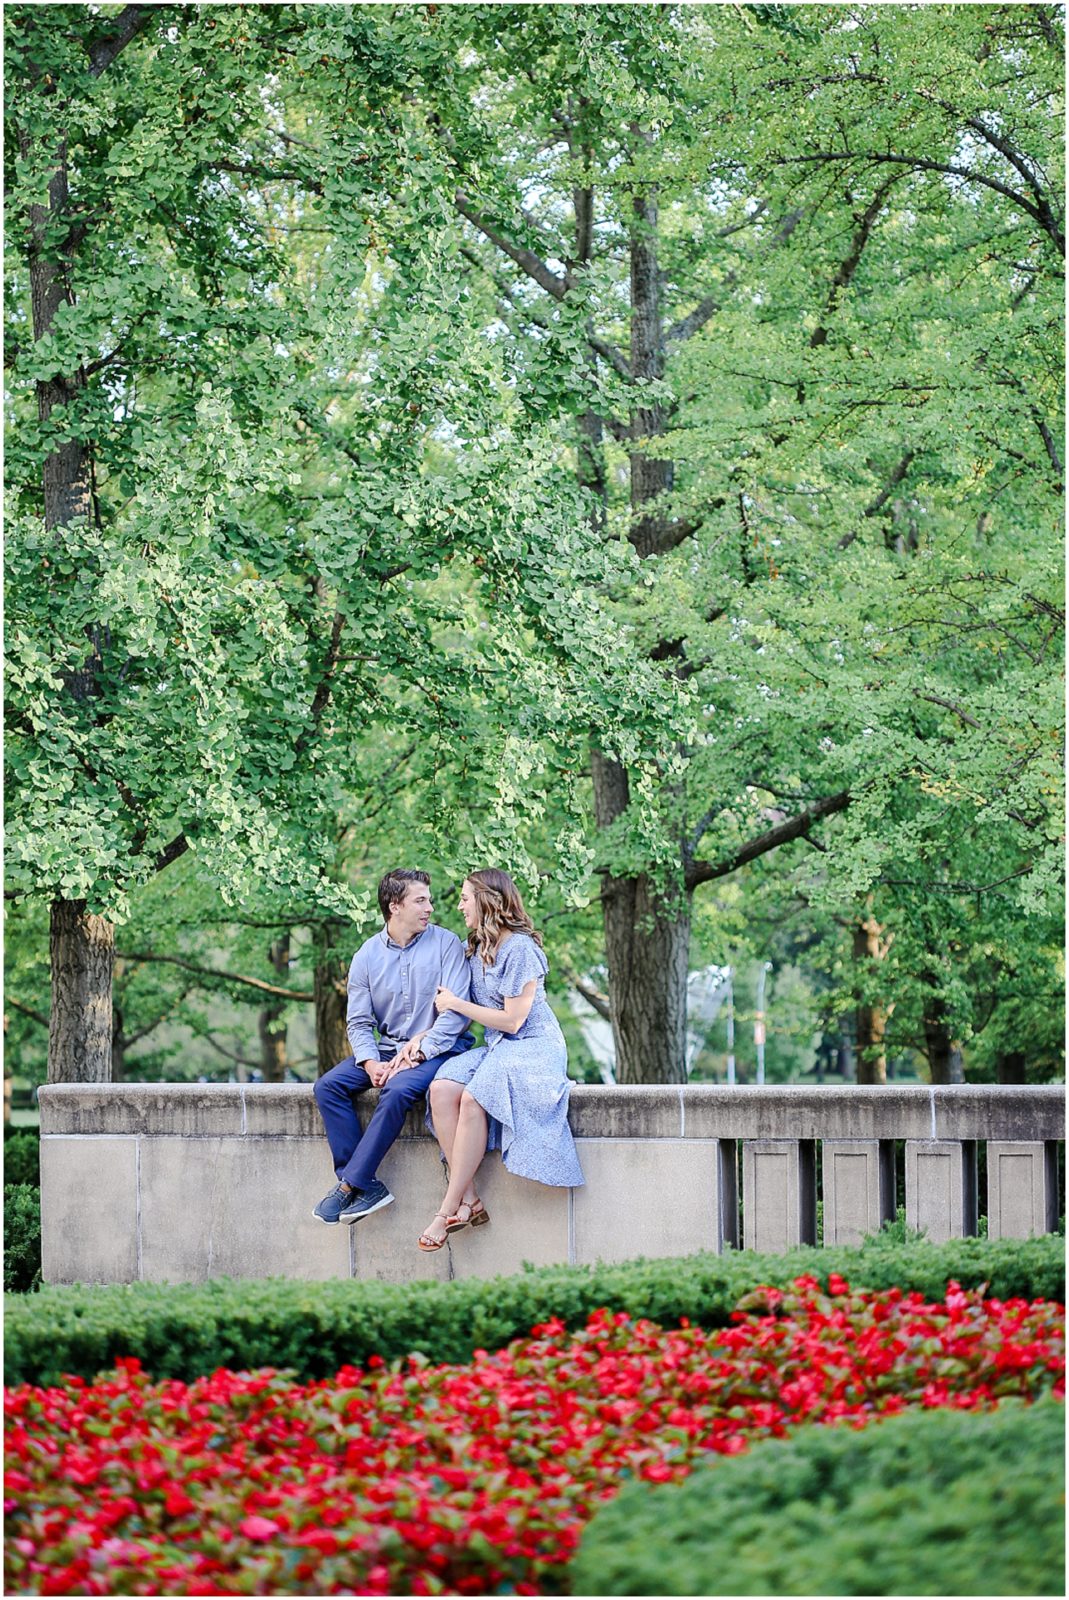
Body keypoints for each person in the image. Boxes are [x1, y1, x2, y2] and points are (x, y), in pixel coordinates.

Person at [416, 868, 584, 1251]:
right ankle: (470, 1199)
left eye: (464, 898)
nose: (458, 906)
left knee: (476, 1097)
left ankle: (445, 1210)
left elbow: (512, 1021)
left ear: (487, 901)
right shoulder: (473, 947)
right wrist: (419, 1039)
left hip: (534, 1046)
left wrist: (458, 1003)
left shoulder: (521, 950)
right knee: (442, 1088)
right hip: (497, 1047)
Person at [312, 869, 473, 1225]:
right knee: (328, 1086)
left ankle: (347, 1186)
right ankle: (364, 1183)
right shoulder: (366, 956)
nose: (430, 907)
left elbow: (456, 1016)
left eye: (428, 899)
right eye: (421, 900)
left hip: (438, 1049)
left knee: (398, 1090)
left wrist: (416, 1053)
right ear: (394, 905)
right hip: (385, 1050)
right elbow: (358, 1021)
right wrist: (370, 1062)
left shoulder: (447, 944)